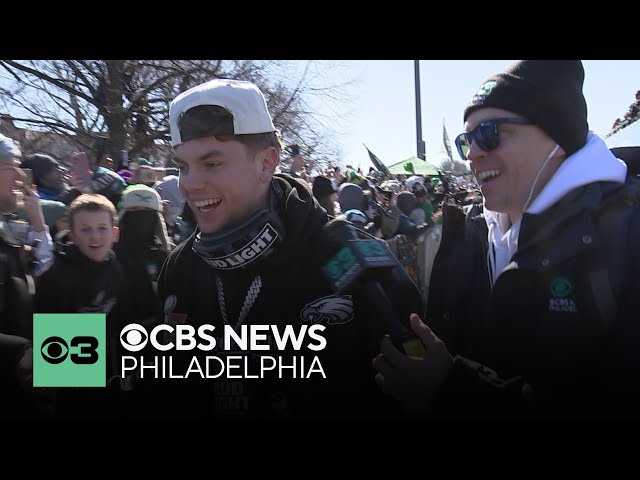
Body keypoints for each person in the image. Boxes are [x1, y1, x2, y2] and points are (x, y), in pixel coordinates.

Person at [373, 60, 640, 418]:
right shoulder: (465, 234)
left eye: (489, 133)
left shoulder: (628, 234)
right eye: (466, 139)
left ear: (557, 137)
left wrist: (453, 392)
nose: (471, 153)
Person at [146, 78, 425, 419]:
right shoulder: (180, 268)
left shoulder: (347, 256)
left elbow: (418, 393)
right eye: (183, 166)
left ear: (266, 164)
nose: (189, 183)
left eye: (212, 163)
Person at [34, 193, 132, 418]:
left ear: (115, 233)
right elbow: (61, 366)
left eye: (102, 228)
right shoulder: (58, 277)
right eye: (85, 229)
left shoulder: (114, 267)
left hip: (110, 371)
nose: (95, 236)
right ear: (72, 235)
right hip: (75, 379)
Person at [0, 134, 54, 419]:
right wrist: (23, 352)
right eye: (12, 167)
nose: (21, 176)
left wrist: (38, 224)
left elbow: (46, 284)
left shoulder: (8, 232)